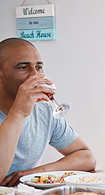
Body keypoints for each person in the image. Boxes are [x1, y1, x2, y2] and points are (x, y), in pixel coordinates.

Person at [0, 38, 96, 186]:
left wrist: (36, 173)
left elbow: (87, 158)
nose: (35, 75)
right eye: (23, 67)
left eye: (38, 67)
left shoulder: (43, 110)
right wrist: (18, 112)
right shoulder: (23, 111)